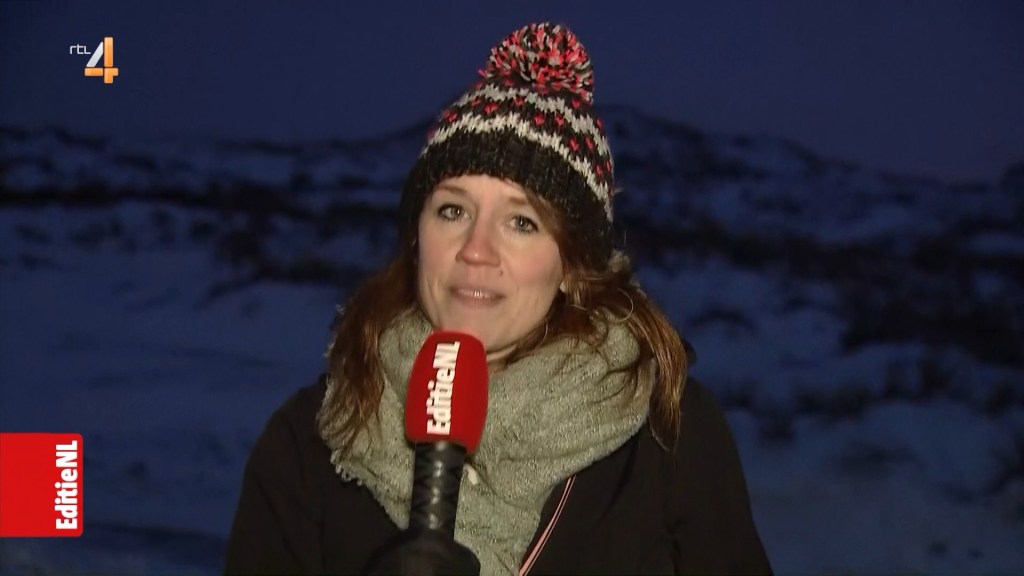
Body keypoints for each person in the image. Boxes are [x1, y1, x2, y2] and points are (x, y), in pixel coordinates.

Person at [225, 22, 771, 575]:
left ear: (571, 266)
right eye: (453, 211)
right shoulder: (313, 440)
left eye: (521, 222)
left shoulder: (667, 436)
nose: (476, 250)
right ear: (417, 239)